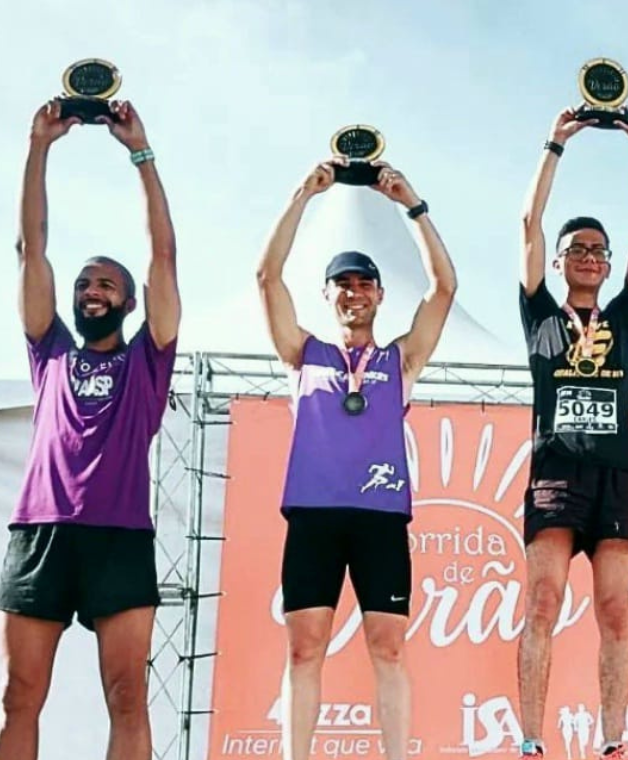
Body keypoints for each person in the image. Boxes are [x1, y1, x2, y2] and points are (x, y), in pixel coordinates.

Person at [0, 100, 180, 760]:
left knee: (127, 698)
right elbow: (30, 248)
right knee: (19, 696)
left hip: (118, 536)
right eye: (83, 283)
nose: (91, 290)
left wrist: (141, 153)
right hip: (40, 533)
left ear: (129, 300)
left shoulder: (148, 359)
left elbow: (163, 255)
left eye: (106, 283)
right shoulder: (49, 349)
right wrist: (39, 145)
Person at [256, 156, 456, 760]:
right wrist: (303, 195)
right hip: (314, 516)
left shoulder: (401, 361)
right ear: (327, 294)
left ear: (379, 294)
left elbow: (444, 289)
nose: (354, 292)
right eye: (343, 283)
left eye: (364, 283)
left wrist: (412, 205)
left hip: (379, 518)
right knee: (304, 649)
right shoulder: (302, 354)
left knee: (388, 648)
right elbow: (267, 276)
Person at [515, 107, 628, 760]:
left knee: (614, 612)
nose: (589, 257)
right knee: (543, 602)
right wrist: (555, 143)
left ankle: (613, 739)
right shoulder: (540, 314)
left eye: (598, 251)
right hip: (555, 469)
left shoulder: (624, 317)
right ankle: (531, 740)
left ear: (606, 265)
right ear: (560, 261)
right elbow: (528, 223)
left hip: (616, 472)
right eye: (577, 249)